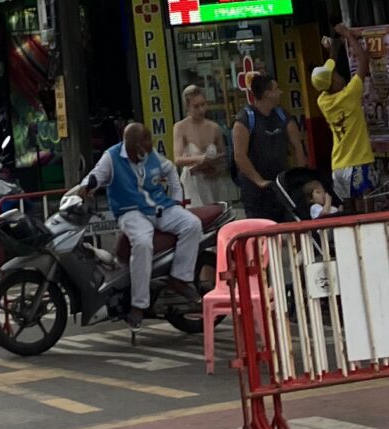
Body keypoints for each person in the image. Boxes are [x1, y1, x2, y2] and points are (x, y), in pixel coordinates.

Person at [82, 122, 203, 324]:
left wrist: (176, 200)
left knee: (192, 224)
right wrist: (86, 187)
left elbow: (171, 170)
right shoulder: (111, 157)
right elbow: (95, 176)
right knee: (142, 243)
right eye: (144, 142)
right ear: (131, 144)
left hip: (160, 207)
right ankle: (139, 304)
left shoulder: (151, 155)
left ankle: (180, 278)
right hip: (131, 212)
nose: (149, 146)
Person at [313, 28, 375, 204]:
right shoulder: (350, 94)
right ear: (334, 81)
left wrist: (333, 50)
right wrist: (348, 35)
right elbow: (363, 61)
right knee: (367, 204)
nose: (340, 75)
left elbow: (327, 74)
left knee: (348, 209)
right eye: (337, 75)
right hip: (357, 160)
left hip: (338, 164)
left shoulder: (322, 101)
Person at [232, 75, 307, 221]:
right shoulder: (244, 119)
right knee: (262, 234)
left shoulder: (283, 116)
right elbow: (239, 156)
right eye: (277, 89)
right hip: (255, 192)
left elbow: (298, 148)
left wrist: (299, 178)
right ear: (267, 93)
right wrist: (259, 181)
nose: (280, 92)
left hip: (281, 187)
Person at [172, 85, 233, 210]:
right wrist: (200, 159)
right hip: (193, 182)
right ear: (187, 107)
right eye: (196, 106)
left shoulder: (214, 127)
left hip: (213, 180)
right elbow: (177, 159)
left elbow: (224, 155)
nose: (201, 110)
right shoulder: (180, 127)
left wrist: (214, 165)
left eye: (203, 104)